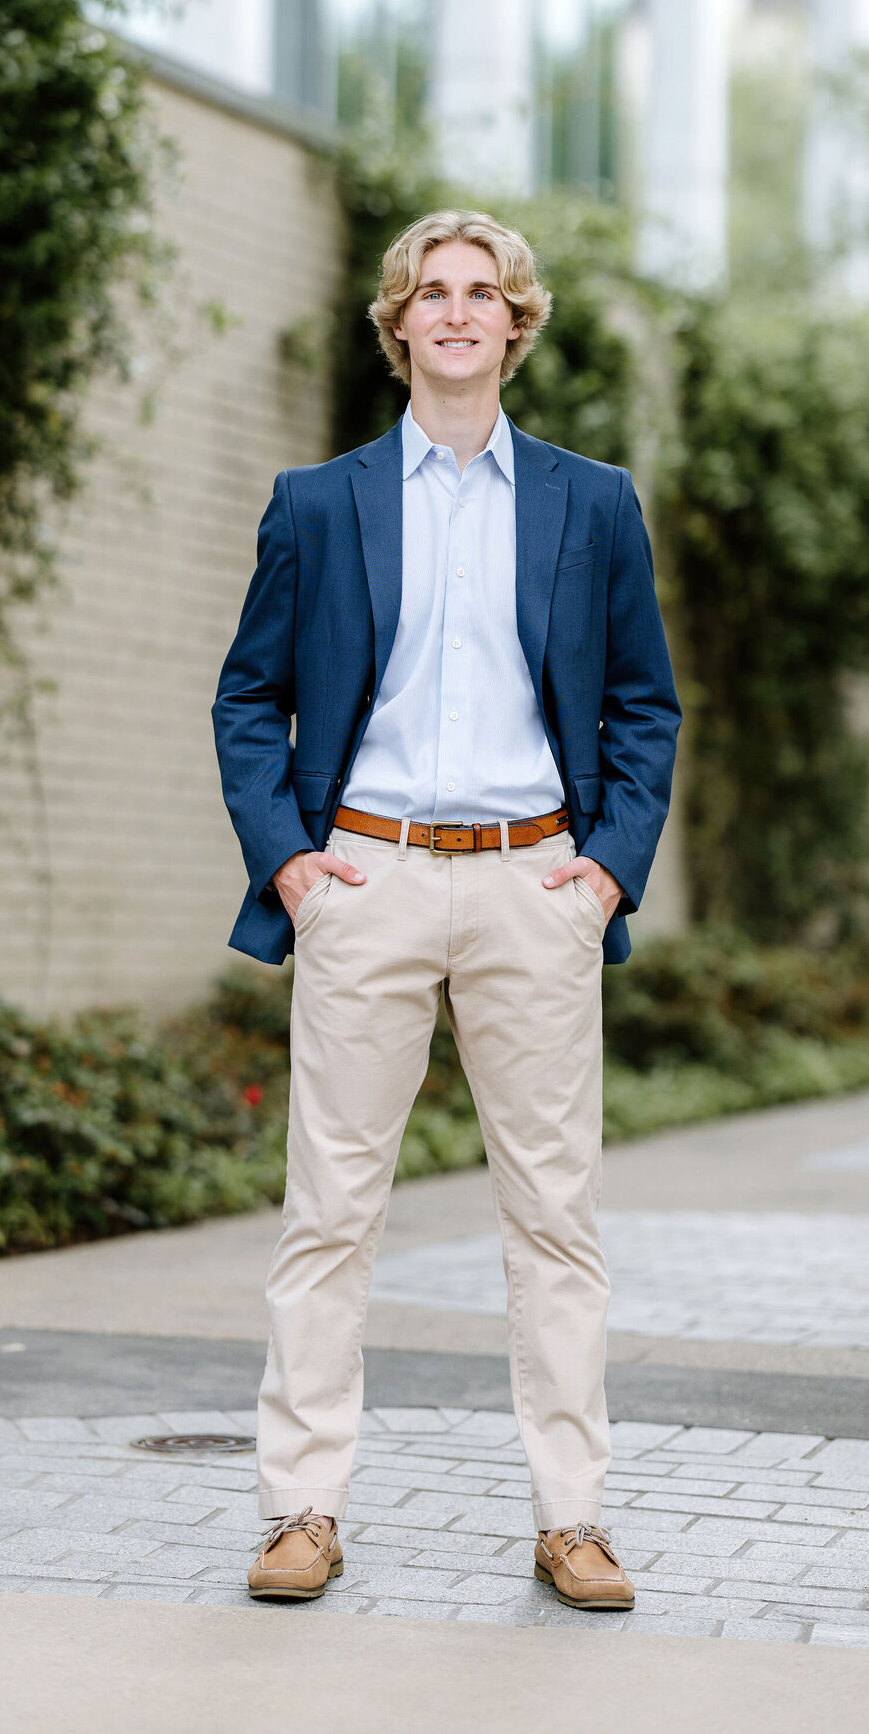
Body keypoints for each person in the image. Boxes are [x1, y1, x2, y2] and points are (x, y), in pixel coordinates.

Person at [213, 209, 680, 1611]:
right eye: (435, 294)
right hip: (368, 879)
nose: (461, 314)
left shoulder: (593, 504)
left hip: (539, 884)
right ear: (400, 323)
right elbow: (250, 695)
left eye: (485, 293)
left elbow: (645, 702)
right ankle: (302, 1509)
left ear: (515, 323)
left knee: (555, 1219)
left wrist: (606, 865)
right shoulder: (318, 503)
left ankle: (572, 1519)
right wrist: (291, 861)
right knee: (329, 1213)